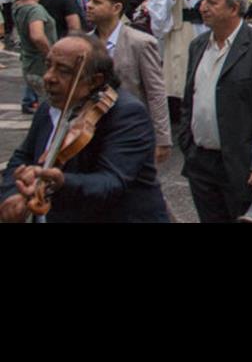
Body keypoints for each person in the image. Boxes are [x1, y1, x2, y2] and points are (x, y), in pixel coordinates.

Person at [1, 35, 170, 223]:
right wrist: (12, 193)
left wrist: (63, 182)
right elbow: (23, 156)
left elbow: (111, 182)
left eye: (64, 71)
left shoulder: (127, 114)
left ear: (95, 81)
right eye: (48, 65)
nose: (49, 77)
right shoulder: (49, 107)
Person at [178, 0, 252, 223]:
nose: (203, 7)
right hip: (201, 164)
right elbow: (190, 100)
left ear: (234, 8)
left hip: (243, 168)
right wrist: (187, 143)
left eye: (211, 2)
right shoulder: (198, 45)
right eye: (203, 0)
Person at [85, 0, 173, 165]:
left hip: (129, 130)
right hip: (89, 129)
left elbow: (156, 92)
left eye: (97, 2)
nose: (89, 5)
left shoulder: (140, 43)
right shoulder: (84, 43)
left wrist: (162, 139)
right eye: (89, 0)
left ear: (116, 8)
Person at [147, 0, 222, 122]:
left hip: (207, 28)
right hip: (181, 29)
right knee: (181, 72)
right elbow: (155, 9)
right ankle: (183, 113)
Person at [11, 0, 57, 113]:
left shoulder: (19, 6)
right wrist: (51, 55)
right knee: (51, 109)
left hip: (29, 65)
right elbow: (37, 36)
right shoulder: (35, 10)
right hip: (40, 67)